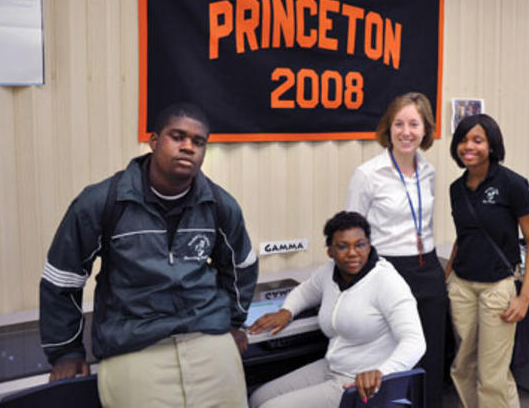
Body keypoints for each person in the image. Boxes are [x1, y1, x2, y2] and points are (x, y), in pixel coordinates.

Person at [39, 103, 258, 407]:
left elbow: (241, 267)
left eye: (198, 142)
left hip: (207, 337)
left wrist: (234, 323)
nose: (188, 147)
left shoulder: (219, 204)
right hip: (134, 343)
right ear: (154, 141)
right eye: (177, 136)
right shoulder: (102, 201)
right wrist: (66, 352)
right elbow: (62, 278)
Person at [248, 211, 425, 408]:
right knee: (257, 398)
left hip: (360, 381)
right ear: (330, 251)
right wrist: (286, 311)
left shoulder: (387, 282)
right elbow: (305, 292)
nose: (352, 253)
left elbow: (415, 341)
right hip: (333, 366)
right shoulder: (329, 273)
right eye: (342, 246)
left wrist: (381, 372)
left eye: (360, 245)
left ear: (369, 246)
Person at [345, 92, 447, 408]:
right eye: (399, 124)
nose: (406, 132)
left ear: (425, 129)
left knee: (430, 356)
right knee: (388, 358)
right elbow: (352, 234)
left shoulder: (428, 171)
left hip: (428, 268)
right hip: (388, 271)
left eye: (414, 124)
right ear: (388, 128)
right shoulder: (368, 174)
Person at [444, 114, 529, 408]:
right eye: (463, 140)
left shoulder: (512, 183)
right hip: (461, 286)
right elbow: (465, 236)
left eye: (477, 140)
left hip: (497, 286)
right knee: (462, 367)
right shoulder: (456, 189)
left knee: (492, 375)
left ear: (492, 145)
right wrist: (446, 278)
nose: (468, 146)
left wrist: (524, 296)